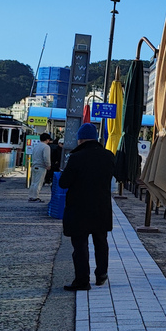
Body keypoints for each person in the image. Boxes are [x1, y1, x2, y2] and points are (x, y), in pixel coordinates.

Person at [58, 123, 115, 291]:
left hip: (79, 208)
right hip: (101, 207)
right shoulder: (109, 156)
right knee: (101, 242)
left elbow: (63, 183)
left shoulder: (76, 157)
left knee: (80, 246)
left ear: (80, 140)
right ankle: (101, 274)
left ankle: (82, 281)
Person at [28, 133, 52, 202]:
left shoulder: (36, 146)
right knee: (38, 183)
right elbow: (46, 157)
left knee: (33, 182)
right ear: (47, 140)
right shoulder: (46, 147)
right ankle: (35, 197)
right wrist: (48, 165)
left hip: (34, 165)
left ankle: (31, 196)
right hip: (41, 167)